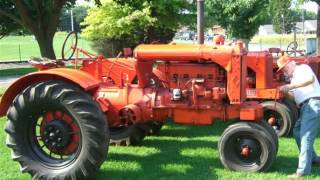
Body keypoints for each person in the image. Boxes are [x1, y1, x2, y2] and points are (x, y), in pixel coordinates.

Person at [277, 55, 320, 178]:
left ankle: (302, 171)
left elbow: (310, 79)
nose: (284, 72)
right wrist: (286, 93)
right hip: (306, 106)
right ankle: (313, 159)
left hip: (313, 103)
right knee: (296, 132)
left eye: (284, 69)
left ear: (291, 63)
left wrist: (290, 87)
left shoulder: (302, 68)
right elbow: (294, 98)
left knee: (305, 137)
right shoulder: (294, 79)